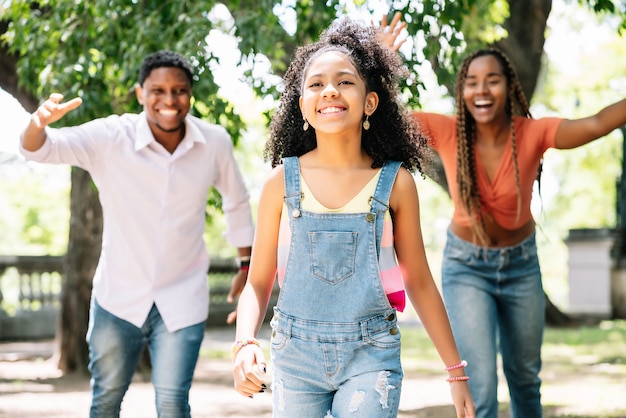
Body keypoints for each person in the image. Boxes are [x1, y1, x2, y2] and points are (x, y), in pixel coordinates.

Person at [380, 14, 626, 418]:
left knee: (526, 378)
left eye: (492, 79)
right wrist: (383, 64)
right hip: (467, 267)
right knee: (482, 388)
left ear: (509, 86)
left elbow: (597, 123)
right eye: (472, 82)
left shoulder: (535, 133)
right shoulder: (447, 131)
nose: (481, 89)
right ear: (462, 91)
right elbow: (384, 120)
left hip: (521, 266)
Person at [231, 18, 475, 418]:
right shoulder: (280, 182)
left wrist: (456, 373)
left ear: (370, 102)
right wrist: (245, 344)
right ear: (302, 105)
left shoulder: (395, 184)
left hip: (371, 355)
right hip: (295, 357)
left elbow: (420, 282)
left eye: (345, 81)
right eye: (316, 83)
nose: (330, 90)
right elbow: (258, 284)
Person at [19, 50, 254, 417]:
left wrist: (246, 263)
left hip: (183, 297)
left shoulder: (214, 142)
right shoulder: (110, 136)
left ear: (190, 94)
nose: (169, 100)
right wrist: (38, 122)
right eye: (158, 90)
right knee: (107, 398)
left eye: (179, 90)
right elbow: (39, 150)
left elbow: (236, 201)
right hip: (118, 296)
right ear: (140, 93)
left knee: (173, 403)